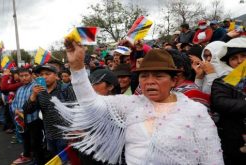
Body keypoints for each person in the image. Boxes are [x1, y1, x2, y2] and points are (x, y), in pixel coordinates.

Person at [53, 41, 224, 165]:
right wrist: (77, 68)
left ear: (174, 80)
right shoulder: (130, 105)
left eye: (158, 76)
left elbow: (212, 158)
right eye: (144, 76)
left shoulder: (195, 111)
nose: (150, 82)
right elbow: (90, 104)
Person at [211, 37, 246, 164]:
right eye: (234, 58)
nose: (239, 61)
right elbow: (220, 103)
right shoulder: (223, 81)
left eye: (243, 55)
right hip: (235, 140)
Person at [11, 68, 43, 165]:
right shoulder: (20, 89)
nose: (24, 78)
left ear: (31, 75)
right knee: (25, 139)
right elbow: (14, 102)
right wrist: (15, 109)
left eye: (26, 75)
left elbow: (36, 103)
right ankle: (27, 156)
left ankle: (38, 161)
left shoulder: (36, 87)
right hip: (21, 120)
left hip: (34, 119)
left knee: (36, 143)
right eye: (21, 76)